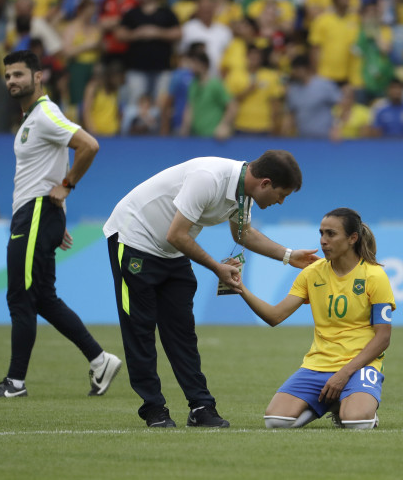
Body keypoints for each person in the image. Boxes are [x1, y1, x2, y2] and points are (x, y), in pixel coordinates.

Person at [103, 150, 319, 428]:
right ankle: (154, 408)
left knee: (182, 333)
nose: (280, 202)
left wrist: (288, 256)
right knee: (140, 330)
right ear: (265, 183)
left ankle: (201, 406)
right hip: (133, 240)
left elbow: (243, 233)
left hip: (172, 252)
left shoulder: (244, 193)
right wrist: (217, 268)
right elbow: (176, 233)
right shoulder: (208, 178)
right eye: (282, 194)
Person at [0, 50, 122, 399]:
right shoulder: (31, 120)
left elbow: (88, 145)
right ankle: (100, 359)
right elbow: (47, 171)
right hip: (39, 216)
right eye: (8, 75)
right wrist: (56, 217)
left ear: (38, 77)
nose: (12, 80)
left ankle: (15, 383)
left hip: (36, 214)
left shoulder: (44, 115)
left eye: (19, 74)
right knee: (42, 298)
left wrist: (66, 188)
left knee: (21, 297)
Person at [238, 208, 394, 429]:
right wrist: (240, 287)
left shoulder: (374, 276)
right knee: (275, 421)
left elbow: (383, 338)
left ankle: (349, 404)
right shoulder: (312, 273)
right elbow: (274, 316)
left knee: (357, 422)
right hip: (318, 364)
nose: (323, 241)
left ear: (352, 238)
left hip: (359, 365)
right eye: (321, 233)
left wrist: (344, 374)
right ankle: (329, 403)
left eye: (331, 234)